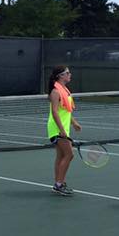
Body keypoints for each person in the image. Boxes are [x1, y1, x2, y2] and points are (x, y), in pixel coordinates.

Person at [47, 65, 81, 196]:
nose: (69, 75)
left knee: (61, 156)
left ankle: (58, 183)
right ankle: (59, 184)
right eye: (67, 73)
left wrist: (74, 123)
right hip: (57, 128)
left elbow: (66, 111)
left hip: (63, 128)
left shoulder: (65, 91)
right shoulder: (55, 92)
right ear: (60, 76)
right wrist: (62, 130)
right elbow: (55, 112)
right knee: (69, 155)